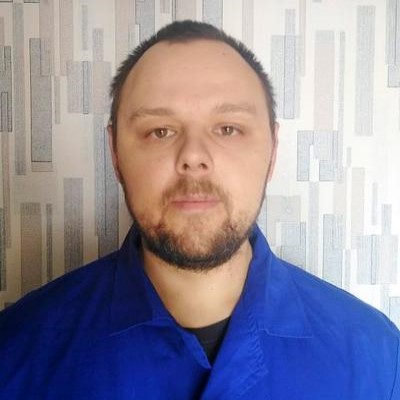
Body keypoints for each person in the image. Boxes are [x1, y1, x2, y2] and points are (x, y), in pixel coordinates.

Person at [0, 20, 399, 400]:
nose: (193, 155)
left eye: (228, 128)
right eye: (160, 131)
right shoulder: (15, 352)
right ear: (115, 154)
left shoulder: (378, 361)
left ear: (273, 152)